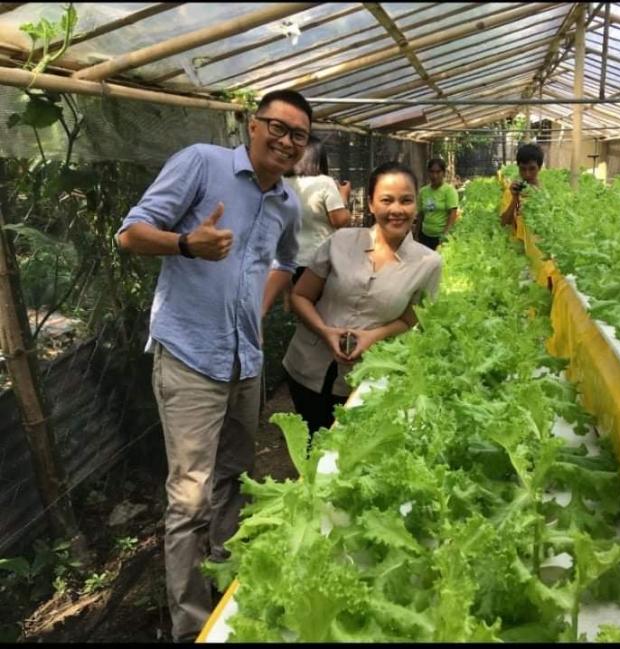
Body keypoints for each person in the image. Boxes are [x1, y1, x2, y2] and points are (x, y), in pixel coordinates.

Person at [115, 89, 312, 643]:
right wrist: (185, 243)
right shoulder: (201, 162)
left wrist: (259, 305)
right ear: (253, 125)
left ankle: (229, 586)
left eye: (298, 135)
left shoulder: (287, 202)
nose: (286, 140)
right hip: (190, 355)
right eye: (278, 126)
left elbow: (287, 260)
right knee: (190, 497)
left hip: (243, 359)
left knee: (236, 478)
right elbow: (129, 233)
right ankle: (190, 628)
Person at [281, 161, 442, 435]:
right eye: (386, 200)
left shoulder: (429, 262)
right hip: (307, 366)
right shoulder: (341, 241)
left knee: (347, 456)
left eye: (406, 200)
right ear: (371, 204)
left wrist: (373, 336)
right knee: (311, 448)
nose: (396, 210)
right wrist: (324, 331)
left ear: (416, 204)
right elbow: (300, 296)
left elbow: (409, 318)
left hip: (367, 379)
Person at [261, 136, 351, 315]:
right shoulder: (324, 182)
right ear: (318, 158)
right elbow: (339, 220)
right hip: (318, 259)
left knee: (298, 304)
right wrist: (344, 197)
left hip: (288, 259)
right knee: (319, 308)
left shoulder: (282, 183)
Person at [416, 157, 459, 250]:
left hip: (440, 237)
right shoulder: (423, 191)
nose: (434, 175)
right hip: (425, 236)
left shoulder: (449, 191)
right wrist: (416, 234)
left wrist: (445, 235)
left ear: (443, 173)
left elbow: (453, 214)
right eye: (431, 172)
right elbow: (420, 215)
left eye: (438, 172)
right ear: (428, 173)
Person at [500, 142, 544, 228]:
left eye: (532, 169)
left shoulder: (545, 192)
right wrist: (515, 199)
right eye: (523, 169)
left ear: (540, 167)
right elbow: (504, 223)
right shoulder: (511, 191)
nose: (527, 174)